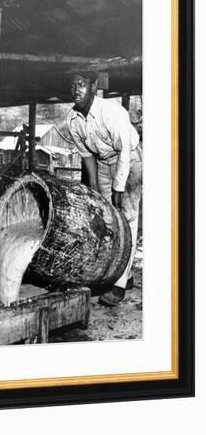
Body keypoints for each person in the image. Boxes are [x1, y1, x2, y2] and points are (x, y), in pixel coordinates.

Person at [66, 69, 142, 306]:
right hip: (102, 162)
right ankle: (124, 274)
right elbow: (87, 156)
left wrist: (119, 187)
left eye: (82, 84)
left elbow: (124, 153)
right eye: (73, 85)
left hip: (129, 160)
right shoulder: (72, 119)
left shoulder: (111, 111)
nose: (76, 90)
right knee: (109, 218)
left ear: (93, 86)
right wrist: (95, 190)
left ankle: (118, 287)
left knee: (127, 217)